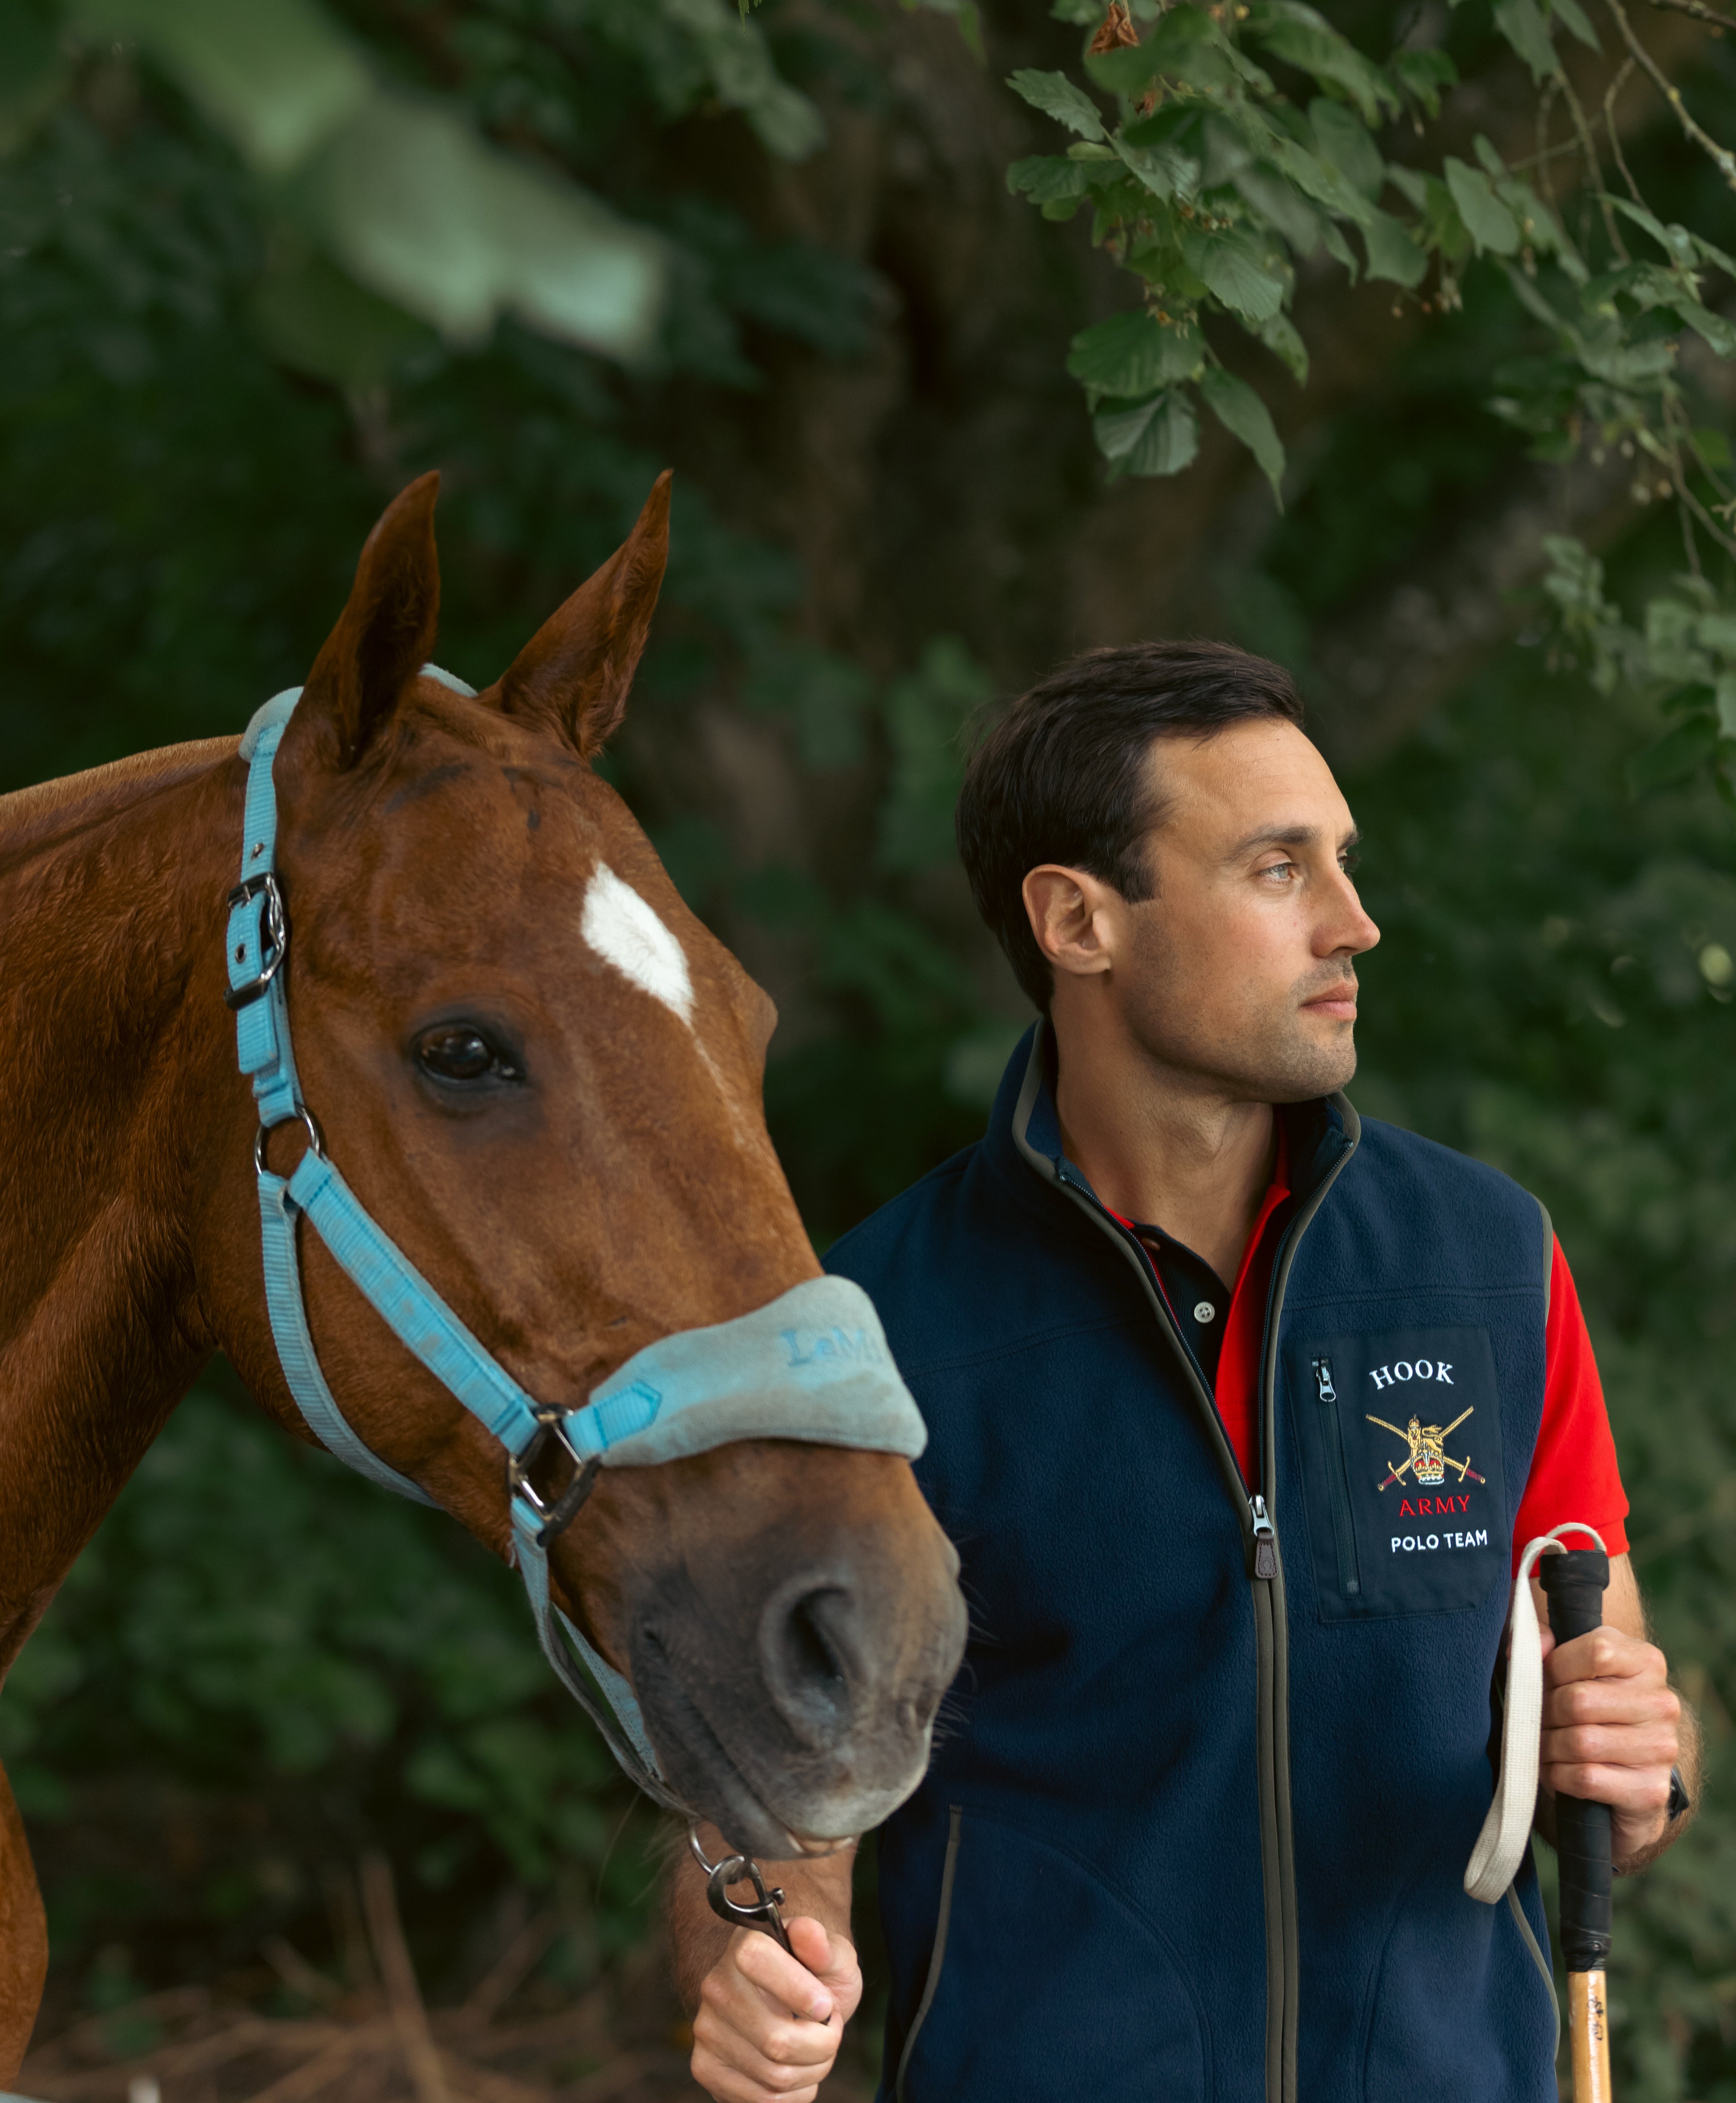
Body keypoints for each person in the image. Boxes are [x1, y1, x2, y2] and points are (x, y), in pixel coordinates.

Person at [668, 643, 1696, 2103]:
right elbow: (782, 1807)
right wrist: (760, 1977)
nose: (1357, 923)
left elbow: (1605, 1703)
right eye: (1280, 870)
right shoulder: (874, 1326)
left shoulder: (1491, 1260)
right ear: (1078, 919)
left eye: (1341, 862)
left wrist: (1643, 1764)